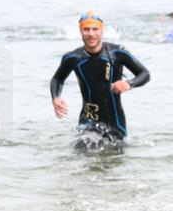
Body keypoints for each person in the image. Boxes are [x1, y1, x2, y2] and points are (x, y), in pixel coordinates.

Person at [50, 13, 150, 147]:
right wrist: (56, 98)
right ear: (80, 31)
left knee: (116, 162)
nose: (91, 34)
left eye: (95, 29)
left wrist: (129, 83)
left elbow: (144, 74)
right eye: (86, 29)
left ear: (102, 30)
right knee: (84, 158)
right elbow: (57, 78)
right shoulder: (72, 58)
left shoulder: (118, 53)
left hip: (115, 121)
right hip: (87, 120)